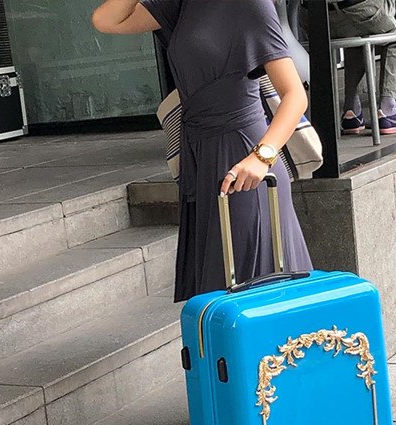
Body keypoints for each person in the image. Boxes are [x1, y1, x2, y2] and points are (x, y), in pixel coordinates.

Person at [92, 0, 313, 302]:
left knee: (255, 291)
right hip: (200, 157)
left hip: (242, 157)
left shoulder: (250, 4)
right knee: (219, 291)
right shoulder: (181, 4)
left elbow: (294, 95)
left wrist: (262, 157)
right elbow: (106, 20)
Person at [299, 0, 396, 134]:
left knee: (355, 29)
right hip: (360, 12)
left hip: (312, 17)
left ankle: (352, 111)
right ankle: (389, 108)